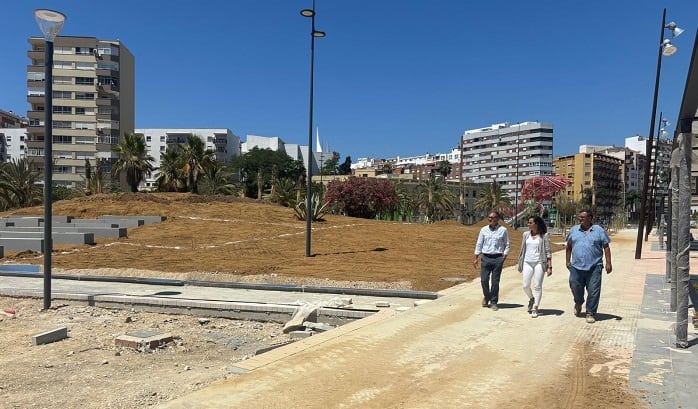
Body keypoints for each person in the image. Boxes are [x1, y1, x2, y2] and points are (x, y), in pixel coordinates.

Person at [565, 209, 612, 324]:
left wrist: (608, 263)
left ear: (590, 218)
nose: (580, 219)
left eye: (582, 217)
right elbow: (569, 246)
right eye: (579, 217)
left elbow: (606, 247)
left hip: (594, 266)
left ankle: (590, 312)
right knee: (575, 286)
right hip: (576, 267)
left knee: (594, 291)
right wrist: (567, 261)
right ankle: (579, 302)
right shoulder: (574, 230)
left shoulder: (599, 230)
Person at [473, 211, 510, 311]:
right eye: (489, 217)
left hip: (498, 258)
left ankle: (493, 302)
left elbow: (507, 244)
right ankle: (487, 296)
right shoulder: (483, 230)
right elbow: (479, 243)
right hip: (485, 258)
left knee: (495, 281)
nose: (490, 219)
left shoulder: (503, 230)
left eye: (492, 217)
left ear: (497, 219)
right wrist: (476, 257)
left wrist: (504, 256)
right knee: (484, 280)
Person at [517, 216, 552, 318]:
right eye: (528, 222)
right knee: (525, 285)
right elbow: (522, 249)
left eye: (530, 222)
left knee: (537, 285)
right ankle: (532, 298)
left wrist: (550, 266)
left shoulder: (544, 236)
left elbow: (548, 251)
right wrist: (520, 261)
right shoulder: (525, 235)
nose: (529, 224)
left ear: (536, 224)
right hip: (527, 262)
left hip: (539, 263)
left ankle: (535, 307)